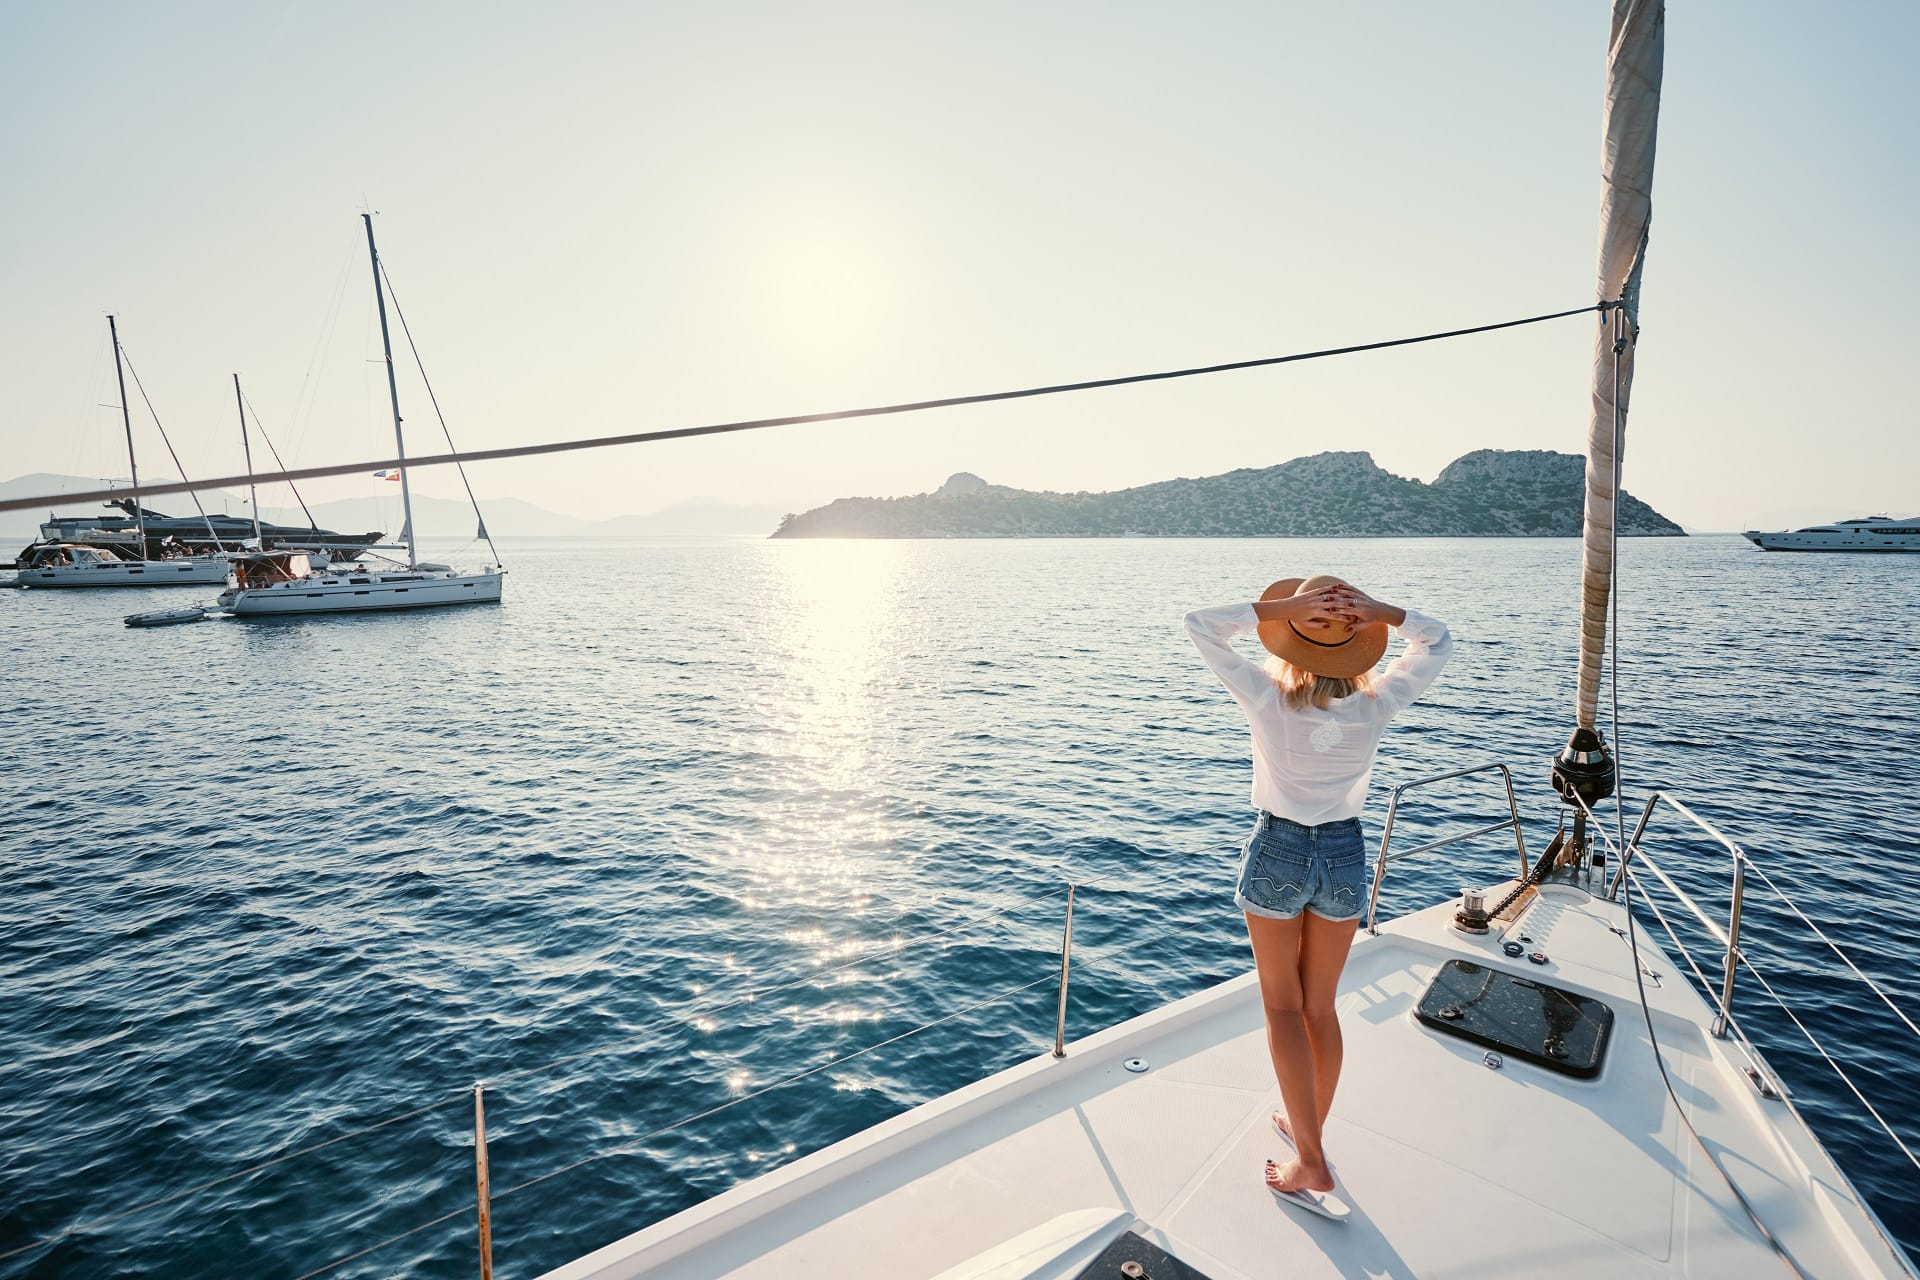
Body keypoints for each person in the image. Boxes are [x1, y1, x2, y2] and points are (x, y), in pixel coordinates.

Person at [1183, 575, 1451, 1216]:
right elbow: (1436, 642)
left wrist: (1284, 608)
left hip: (1279, 848)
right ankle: (1310, 1135)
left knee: (1282, 1008)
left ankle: (1310, 1160)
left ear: (1291, 641)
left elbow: (1200, 624)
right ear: (1360, 646)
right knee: (1320, 1010)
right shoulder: (1375, 706)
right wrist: (1380, 611)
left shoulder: (1267, 699)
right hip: (1344, 852)